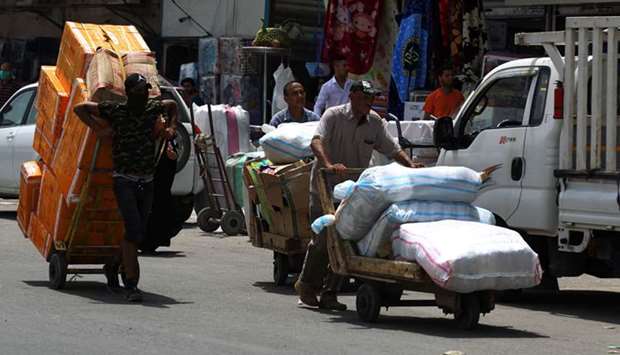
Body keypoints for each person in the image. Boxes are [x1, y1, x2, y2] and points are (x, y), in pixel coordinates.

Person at [295, 80, 421, 310]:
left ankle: (330, 292)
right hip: (325, 187)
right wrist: (328, 164)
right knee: (324, 239)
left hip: (353, 192)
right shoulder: (333, 116)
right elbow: (316, 141)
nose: (368, 102)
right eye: (364, 97)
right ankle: (307, 285)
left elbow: (393, 149)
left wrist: (411, 166)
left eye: (371, 98)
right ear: (352, 96)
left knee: (345, 240)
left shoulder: (375, 122)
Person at [74, 73, 178, 302]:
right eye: (139, 91)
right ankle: (131, 285)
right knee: (133, 231)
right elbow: (80, 108)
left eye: (145, 91)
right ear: (130, 93)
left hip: (147, 180)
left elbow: (171, 106)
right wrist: (98, 129)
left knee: (138, 233)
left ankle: (112, 265)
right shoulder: (116, 110)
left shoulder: (152, 108)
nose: (143, 95)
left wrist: (171, 127)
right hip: (124, 180)